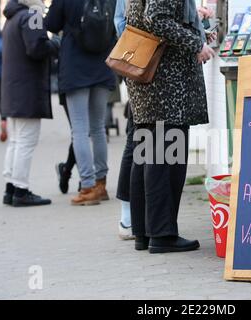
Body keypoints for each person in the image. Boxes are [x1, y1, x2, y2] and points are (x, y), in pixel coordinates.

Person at [126, 0, 214, 253]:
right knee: (165, 160)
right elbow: (157, 18)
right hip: (166, 83)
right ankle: (162, 234)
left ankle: (145, 232)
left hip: (149, 76)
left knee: (147, 157)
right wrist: (196, 43)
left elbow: (154, 16)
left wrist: (197, 31)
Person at [46, 0, 117, 206]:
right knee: (98, 129)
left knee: (79, 129)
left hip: (75, 67)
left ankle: (87, 186)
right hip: (104, 65)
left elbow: (50, 24)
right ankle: (101, 185)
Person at [1, 0, 59, 207]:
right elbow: (36, 47)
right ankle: (21, 191)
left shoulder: (12, 17)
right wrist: (56, 43)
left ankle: (10, 188)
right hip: (27, 89)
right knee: (26, 141)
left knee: (16, 141)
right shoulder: (32, 15)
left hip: (13, 89)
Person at [114, 0, 134, 240]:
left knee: (139, 139)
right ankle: (128, 216)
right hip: (143, 62)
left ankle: (133, 216)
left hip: (139, 60)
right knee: (137, 139)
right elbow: (122, 24)